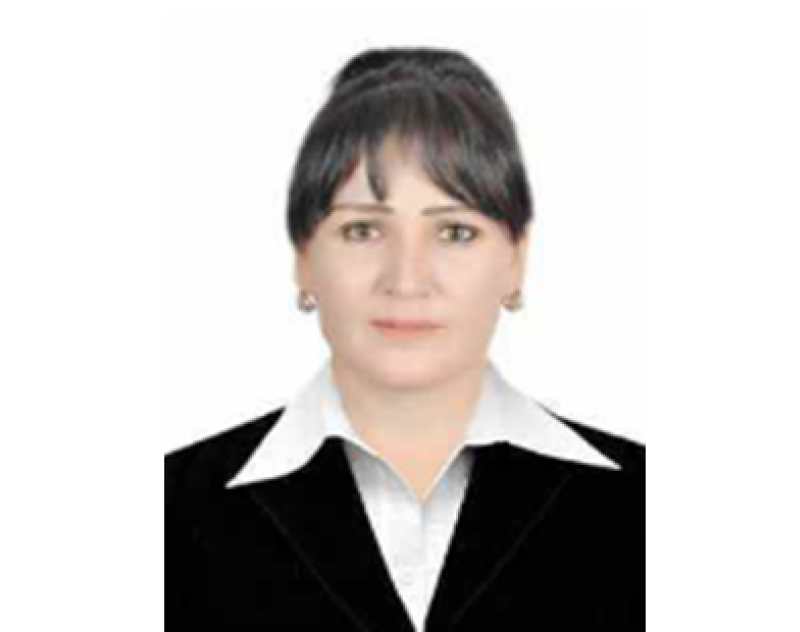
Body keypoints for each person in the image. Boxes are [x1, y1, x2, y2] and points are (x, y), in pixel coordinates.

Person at [166, 46, 645, 631]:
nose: (407, 280)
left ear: (516, 259)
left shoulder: (644, 506)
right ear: (303, 258)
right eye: (363, 230)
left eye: (455, 232)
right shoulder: (170, 513)